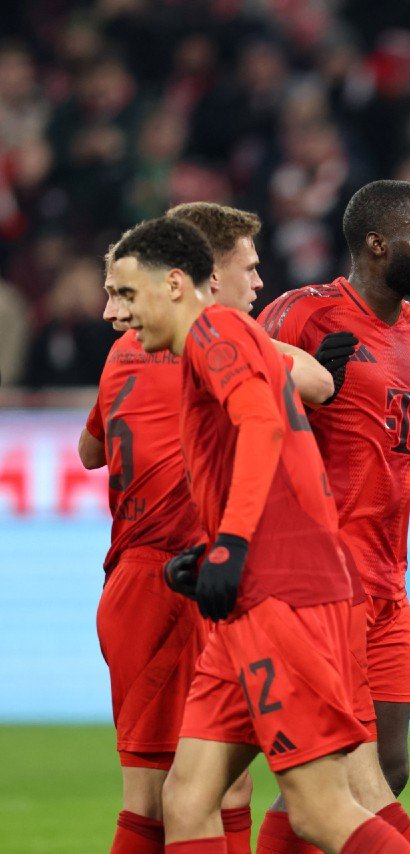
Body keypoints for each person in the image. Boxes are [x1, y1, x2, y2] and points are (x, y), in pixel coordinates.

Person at [108, 215, 410, 854]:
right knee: (188, 798)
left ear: (173, 285)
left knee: (320, 808)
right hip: (253, 595)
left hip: (285, 593)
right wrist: (211, 549)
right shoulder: (220, 340)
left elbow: (259, 424)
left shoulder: (216, 328)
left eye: (127, 295)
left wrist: (235, 541)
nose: (120, 315)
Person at [79, 219, 341, 853]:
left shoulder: (123, 354)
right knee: (171, 797)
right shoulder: (216, 339)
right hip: (181, 576)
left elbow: (90, 450)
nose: (259, 282)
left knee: (213, 792)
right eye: (248, 268)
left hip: (165, 573)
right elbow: (319, 384)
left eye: (124, 296)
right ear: (204, 276)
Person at [257, 180, 410, 818]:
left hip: (390, 582)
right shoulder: (301, 315)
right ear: (376, 243)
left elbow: (391, 441)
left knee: (388, 769)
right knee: (328, 775)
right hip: (322, 580)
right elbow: (245, 417)